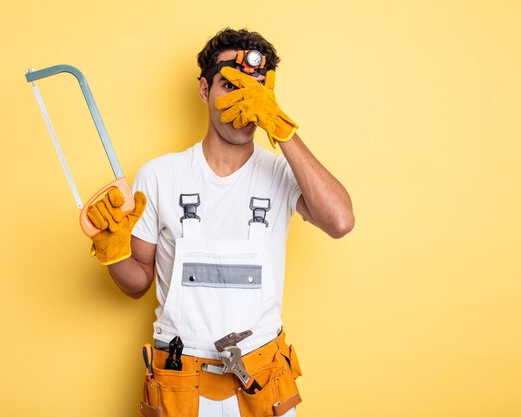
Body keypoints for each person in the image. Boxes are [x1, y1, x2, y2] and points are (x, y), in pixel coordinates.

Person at [86, 28, 355, 417]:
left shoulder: (283, 173)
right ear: (203, 90)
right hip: (179, 380)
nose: (243, 104)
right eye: (230, 86)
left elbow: (341, 220)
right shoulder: (160, 176)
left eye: (255, 91)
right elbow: (136, 283)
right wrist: (113, 252)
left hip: (262, 380)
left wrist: (280, 127)